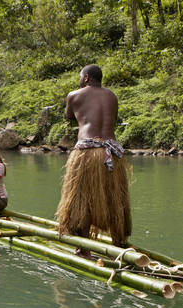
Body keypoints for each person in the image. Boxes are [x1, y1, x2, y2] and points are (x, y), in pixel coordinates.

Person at [55, 64, 131, 258]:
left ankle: (83, 247)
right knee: (115, 198)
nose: (79, 80)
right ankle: (120, 242)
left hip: (87, 151)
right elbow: (111, 119)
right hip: (113, 152)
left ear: (86, 78)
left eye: (80, 77)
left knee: (82, 200)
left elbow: (69, 115)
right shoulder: (112, 96)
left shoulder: (74, 95)